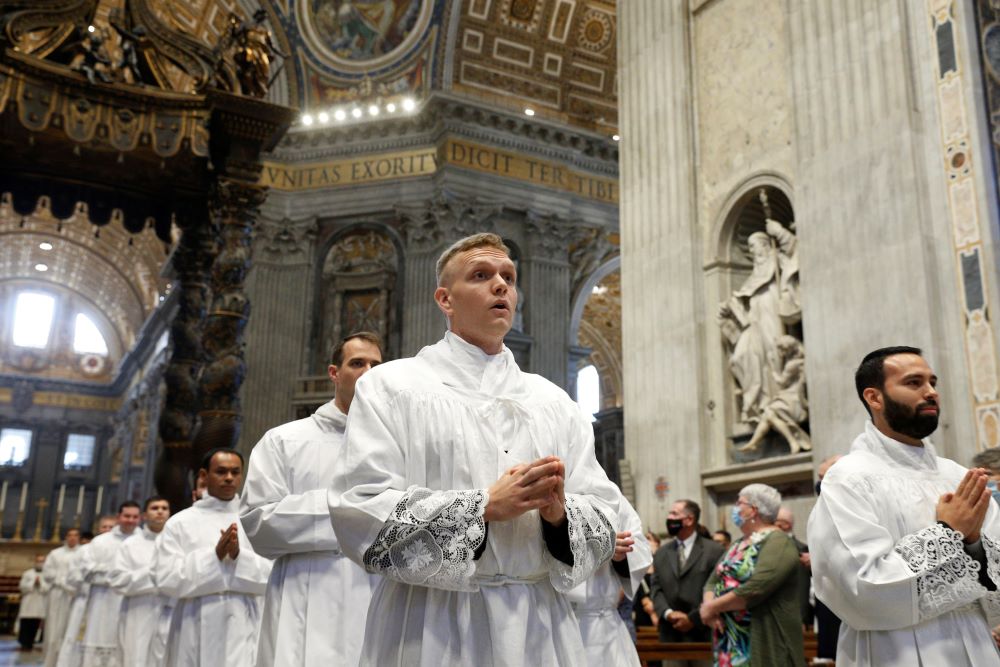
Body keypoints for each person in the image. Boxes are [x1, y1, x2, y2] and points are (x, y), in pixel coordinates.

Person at [329, 233, 621, 666]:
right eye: (481, 275)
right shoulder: (393, 387)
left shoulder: (554, 402)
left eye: (508, 276)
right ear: (445, 299)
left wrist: (559, 515)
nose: (500, 285)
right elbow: (358, 508)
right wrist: (482, 507)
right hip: (431, 622)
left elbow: (606, 512)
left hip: (539, 623)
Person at [808, 346, 1000, 666]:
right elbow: (860, 586)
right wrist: (947, 532)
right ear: (875, 397)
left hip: (974, 642)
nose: (931, 392)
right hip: (893, 649)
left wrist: (974, 542)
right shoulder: (848, 478)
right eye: (914, 383)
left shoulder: (956, 475)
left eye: (932, 382)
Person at [240, 331, 384, 667]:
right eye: (357, 363)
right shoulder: (285, 441)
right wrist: (352, 509)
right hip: (304, 596)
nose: (368, 372)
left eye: (376, 365)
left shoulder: (398, 447)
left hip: (375, 591)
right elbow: (259, 522)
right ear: (334, 373)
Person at [155, 448, 272, 667]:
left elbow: (274, 575)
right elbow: (167, 579)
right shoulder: (180, 523)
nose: (229, 478)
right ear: (203, 475)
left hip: (245, 621)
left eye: (235, 472)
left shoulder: (256, 520)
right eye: (221, 471)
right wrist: (214, 556)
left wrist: (238, 557)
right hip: (193, 623)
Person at [701, 484, 803, 667]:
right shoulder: (739, 543)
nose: (735, 507)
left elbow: (757, 587)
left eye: (740, 502)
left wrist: (711, 608)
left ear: (753, 510)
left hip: (761, 637)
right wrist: (709, 607)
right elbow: (712, 581)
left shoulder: (778, 542)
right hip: (729, 640)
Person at [566, 499, 651, 667]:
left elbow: (638, 548)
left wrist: (621, 555)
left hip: (608, 621)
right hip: (563, 617)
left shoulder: (611, 495)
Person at [58, 502, 141, 667]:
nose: (130, 520)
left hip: (135, 604)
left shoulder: (143, 540)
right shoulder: (100, 542)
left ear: (140, 518)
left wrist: (114, 575)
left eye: (134, 517)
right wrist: (121, 576)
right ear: (119, 517)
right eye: (127, 516)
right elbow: (87, 572)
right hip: (100, 604)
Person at [650, 499, 725, 651]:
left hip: (703, 633)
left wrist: (693, 618)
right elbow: (656, 589)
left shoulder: (714, 551)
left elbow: (719, 588)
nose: (669, 518)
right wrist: (668, 613)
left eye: (674, 513)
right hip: (670, 635)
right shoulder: (662, 553)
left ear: (689, 519)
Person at [109, 496, 172, 667]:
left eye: (164, 508)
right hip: (138, 611)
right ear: (144, 515)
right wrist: (154, 574)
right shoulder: (130, 544)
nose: (160, 511)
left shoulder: (177, 543)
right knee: (135, 659)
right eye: (154, 508)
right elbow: (117, 581)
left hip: (170, 613)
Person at [42, 528, 81, 667]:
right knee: (54, 629)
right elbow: (47, 572)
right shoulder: (55, 553)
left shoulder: (83, 553)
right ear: (65, 537)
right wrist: (61, 580)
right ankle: (51, 661)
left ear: (79, 538)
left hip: (75, 595)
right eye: (70, 535)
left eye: (75, 535)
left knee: (71, 627)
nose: (72, 538)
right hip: (57, 594)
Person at [775, 505, 813, 631]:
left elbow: (802, 587)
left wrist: (801, 618)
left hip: (792, 617)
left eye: (776, 523)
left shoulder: (799, 549)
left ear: (785, 525)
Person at [17, 555, 48, 651]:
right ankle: (24, 643)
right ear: (35, 562)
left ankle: (35, 642)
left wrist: (41, 584)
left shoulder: (48, 575)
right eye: (38, 561)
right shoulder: (27, 573)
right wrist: (33, 583)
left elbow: (48, 588)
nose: (40, 563)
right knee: (26, 624)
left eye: (42, 561)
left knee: (37, 624)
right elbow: (22, 587)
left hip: (40, 603)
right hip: (28, 603)